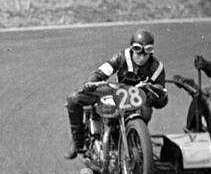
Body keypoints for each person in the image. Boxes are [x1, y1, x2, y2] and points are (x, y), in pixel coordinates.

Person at [64, 29, 168, 159]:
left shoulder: (157, 68)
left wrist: (156, 94)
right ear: (132, 49)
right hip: (117, 91)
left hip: (139, 101)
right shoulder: (122, 57)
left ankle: (137, 141)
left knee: (147, 110)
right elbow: (103, 71)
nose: (141, 58)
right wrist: (91, 83)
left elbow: (162, 100)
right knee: (73, 99)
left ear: (150, 52)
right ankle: (77, 142)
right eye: (137, 52)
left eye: (145, 54)